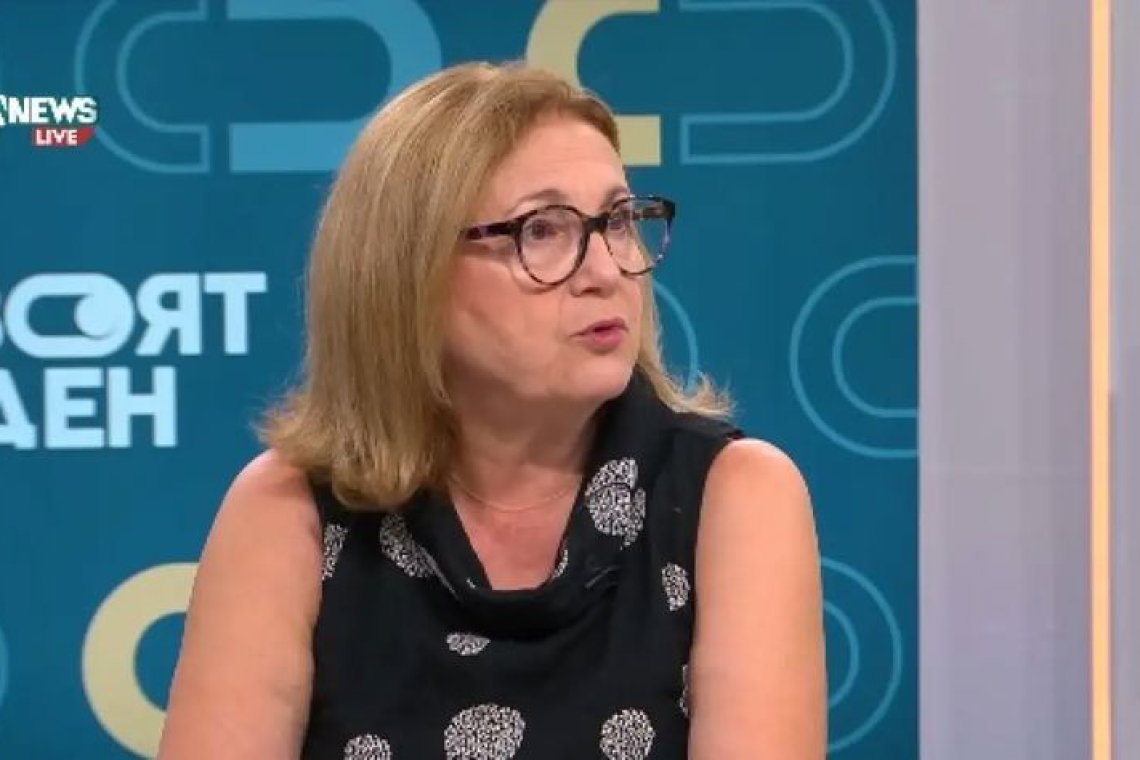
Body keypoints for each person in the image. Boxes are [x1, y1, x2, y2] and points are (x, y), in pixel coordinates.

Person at [158, 61, 826, 759]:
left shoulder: (733, 497)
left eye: (619, 220)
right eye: (542, 230)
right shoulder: (286, 514)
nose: (605, 271)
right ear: (409, 274)